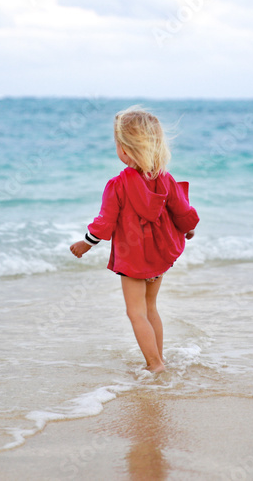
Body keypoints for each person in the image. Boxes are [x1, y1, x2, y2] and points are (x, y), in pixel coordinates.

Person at [70, 106, 199, 373]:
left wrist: (85, 243)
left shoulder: (118, 184)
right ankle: (158, 359)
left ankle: (155, 365)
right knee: (151, 306)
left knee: (135, 312)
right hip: (160, 253)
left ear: (125, 149)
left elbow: (105, 223)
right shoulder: (165, 178)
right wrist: (189, 229)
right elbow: (183, 211)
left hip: (133, 257)